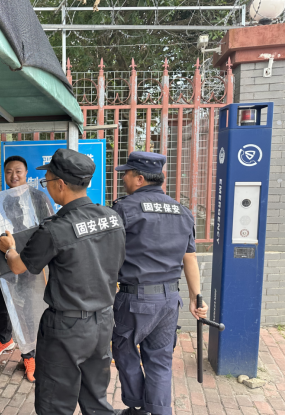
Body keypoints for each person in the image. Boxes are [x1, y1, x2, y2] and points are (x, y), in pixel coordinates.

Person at [0, 149, 126, 415]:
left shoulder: (55, 229)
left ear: (60, 184)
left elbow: (19, 266)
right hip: (103, 321)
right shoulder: (112, 217)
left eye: (46, 180)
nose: (46, 186)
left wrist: (9, 248)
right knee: (96, 400)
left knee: (54, 404)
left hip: (66, 327)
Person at [110, 152, 209, 416]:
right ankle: (159, 411)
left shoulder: (124, 208)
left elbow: (108, 253)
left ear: (139, 178)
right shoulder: (182, 211)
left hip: (135, 298)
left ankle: (138, 407)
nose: (123, 178)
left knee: (124, 350)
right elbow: (190, 257)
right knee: (160, 359)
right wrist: (195, 298)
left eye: (126, 174)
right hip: (169, 301)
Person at [0, 156, 54, 384]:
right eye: (9, 172)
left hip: (26, 260)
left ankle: (30, 355)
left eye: (18, 171)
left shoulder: (38, 197)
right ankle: (5, 339)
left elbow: (48, 228)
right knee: (0, 301)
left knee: (27, 308)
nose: (13, 176)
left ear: (26, 173)